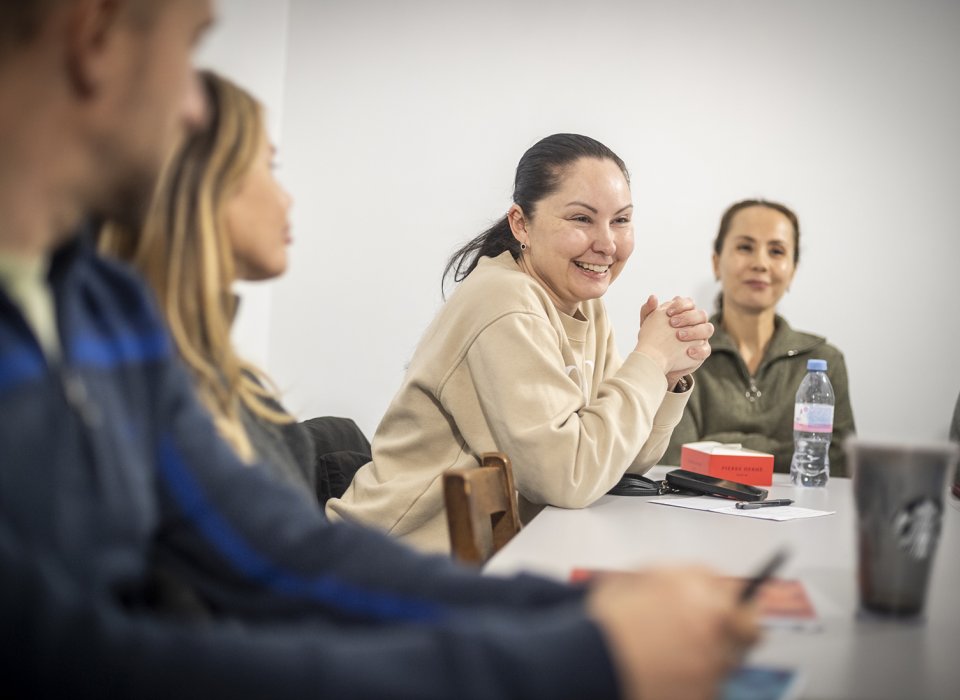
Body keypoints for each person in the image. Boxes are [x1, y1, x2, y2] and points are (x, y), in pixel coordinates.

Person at [0, 2, 758, 698]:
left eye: (620, 220)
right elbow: (76, 657)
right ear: (91, 34)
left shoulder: (104, 312)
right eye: (190, 47)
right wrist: (579, 652)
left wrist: (592, 609)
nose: (193, 107)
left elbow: (281, 556)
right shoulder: (502, 300)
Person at [327, 134, 715, 553]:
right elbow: (570, 477)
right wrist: (650, 358)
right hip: (383, 565)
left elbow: (619, 460)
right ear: (521, 224)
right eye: (582, 219)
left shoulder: (583, 304)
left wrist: (666, 377)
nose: (607, 243)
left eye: (620, 220)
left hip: (476, 561)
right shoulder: (502, 300)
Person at [100, 69, 369, 504]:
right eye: (268, 165)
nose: (287, 198)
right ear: (203, 186)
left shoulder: (217, 376)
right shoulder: (156, 393)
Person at [663, 199, 856, 475]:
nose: (760, 263)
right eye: (745, 247)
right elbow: (673, 458)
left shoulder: (825, 360)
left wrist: (717, 447)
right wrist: (785, 450)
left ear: (792, 271)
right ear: (716, 262)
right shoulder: (684, 353)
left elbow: (837, 463)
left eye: (776, 251)